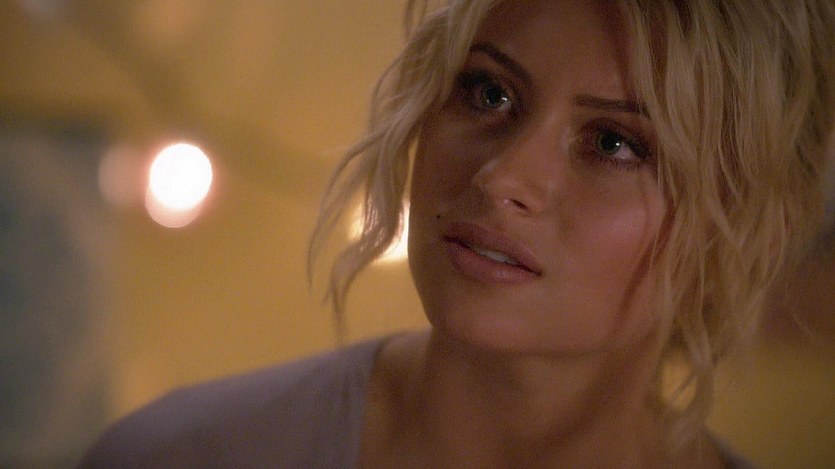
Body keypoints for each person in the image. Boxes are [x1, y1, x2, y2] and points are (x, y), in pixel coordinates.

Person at [78, 0, 835, 467]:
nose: (502, 176)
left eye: (614, 143)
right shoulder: (183, 455)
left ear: (744, 221)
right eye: (489, 92)